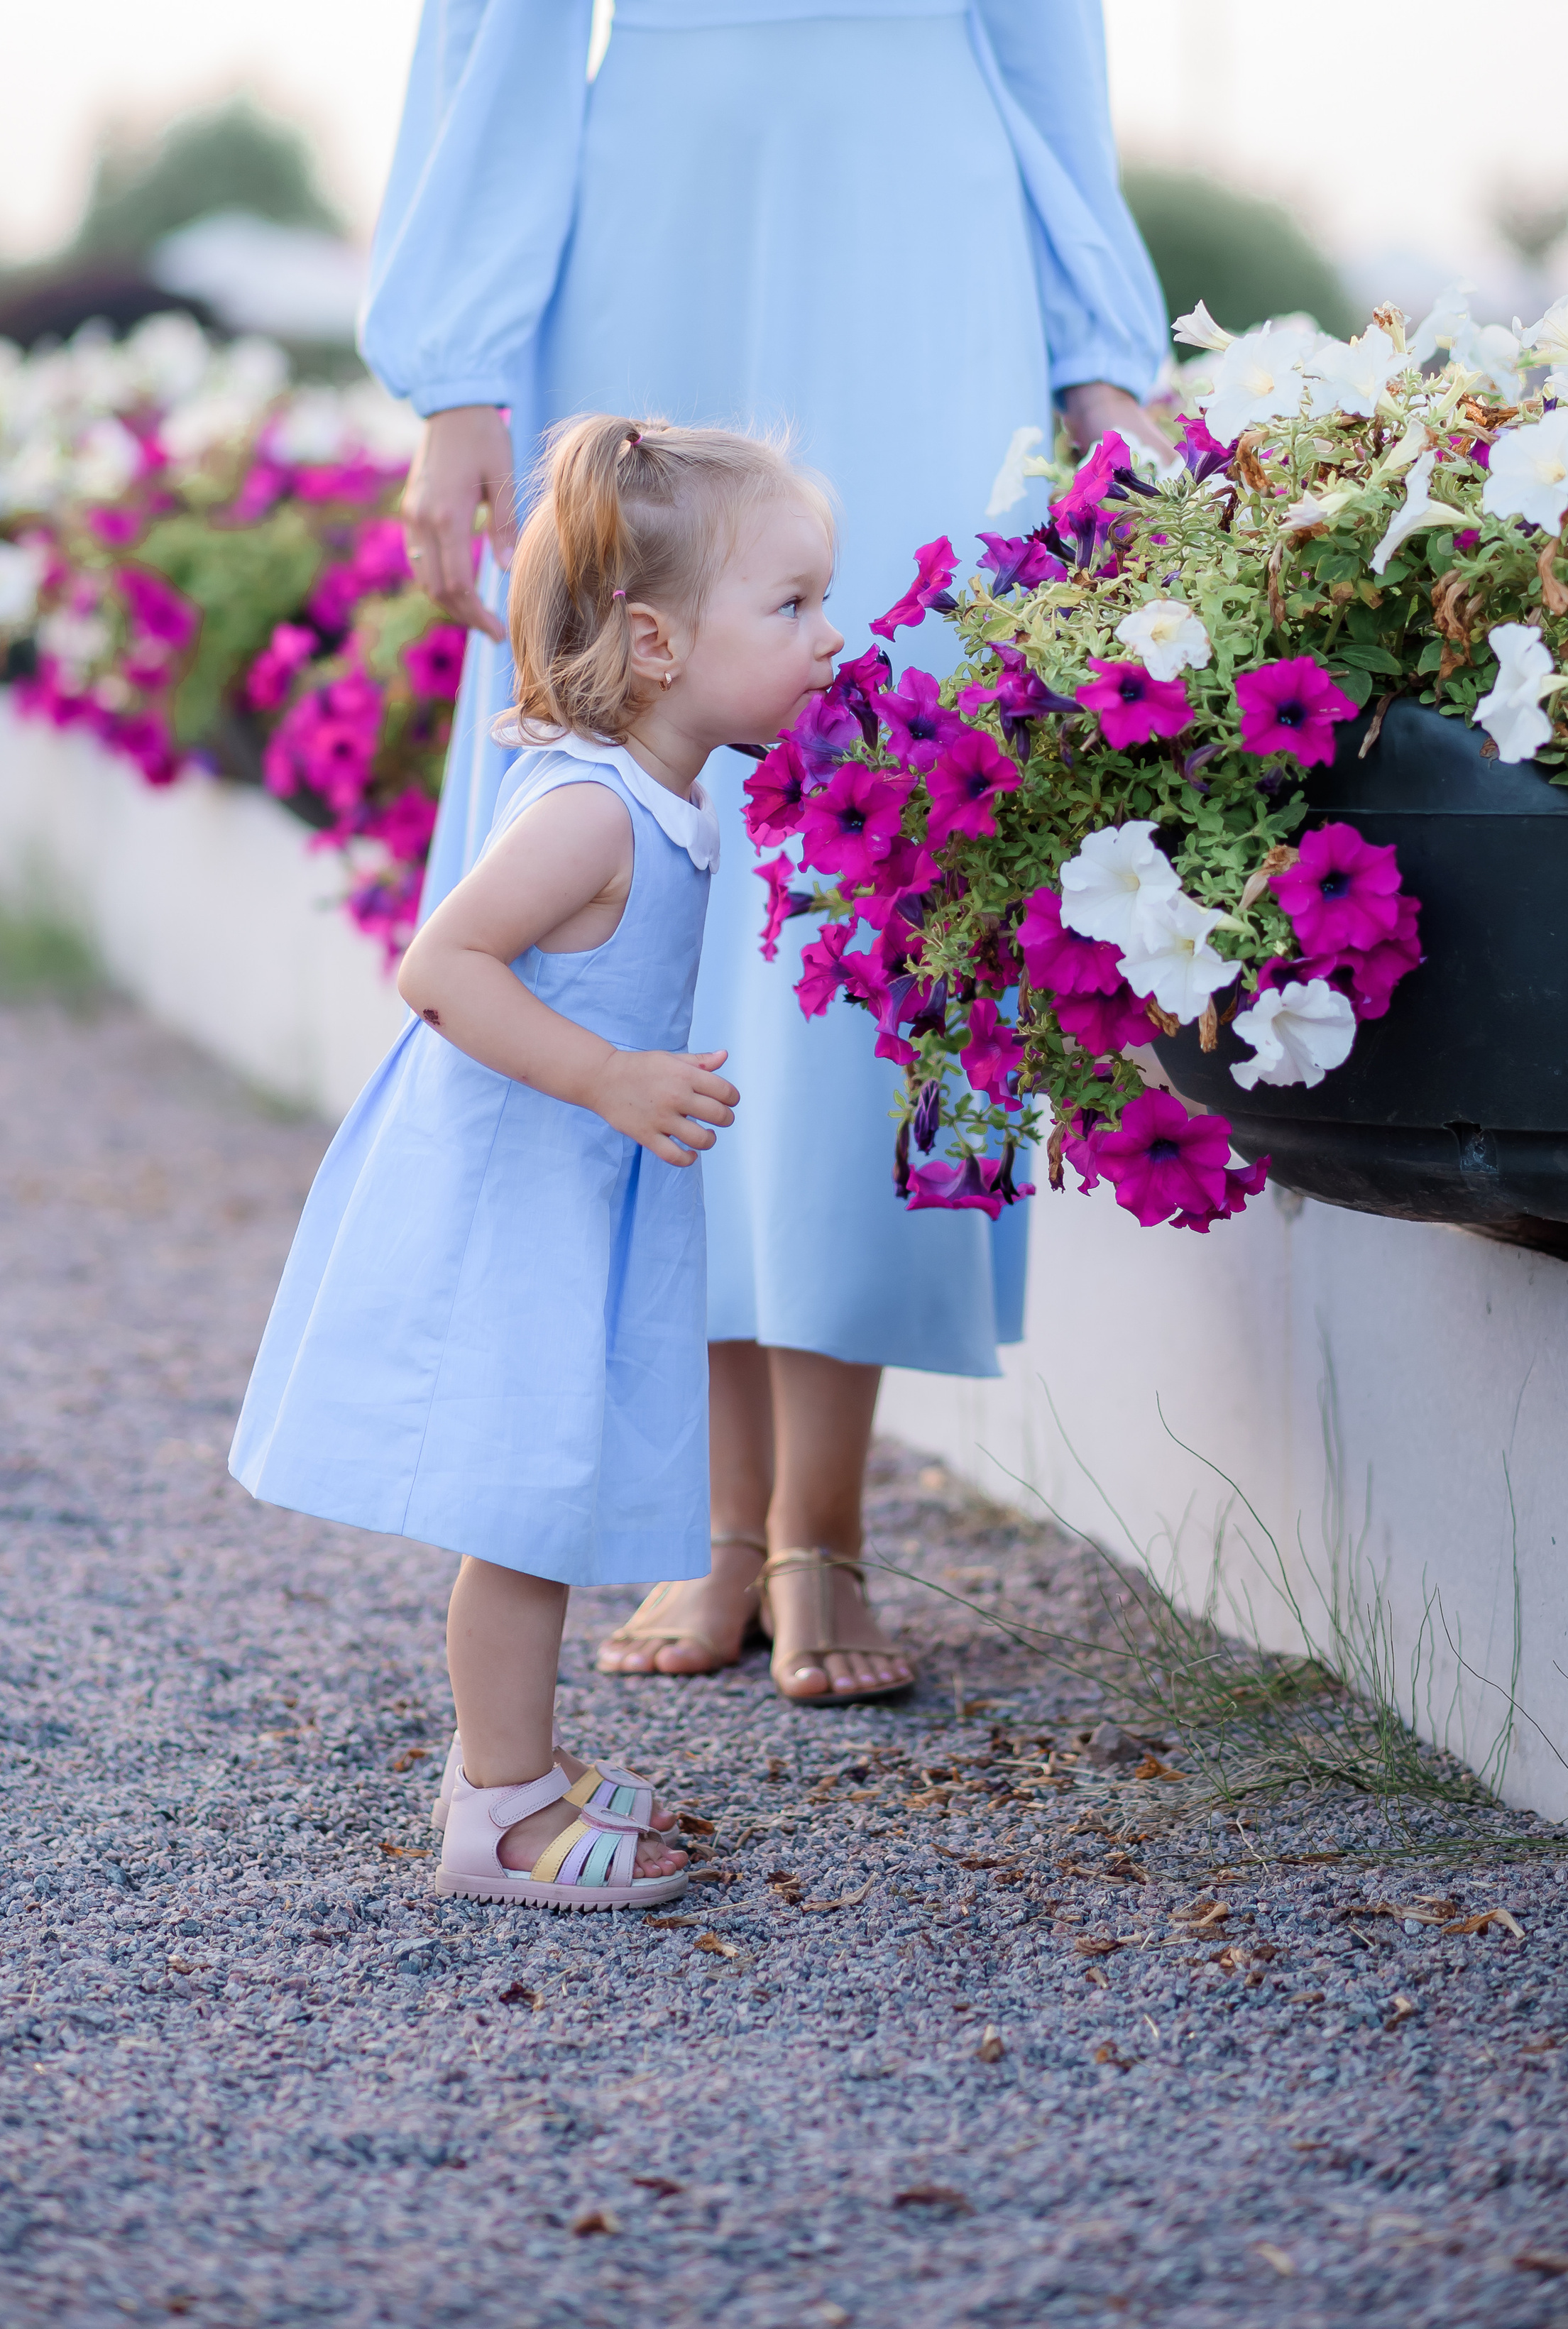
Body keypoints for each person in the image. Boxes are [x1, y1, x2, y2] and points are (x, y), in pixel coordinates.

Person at [361, 0, 1169, 1704]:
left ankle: (822, 1521)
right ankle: (707, 1519)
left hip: (929, 220)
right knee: (654, 815)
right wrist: (459, 372)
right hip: (650, 194)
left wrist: (1104, 348)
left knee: (897, 820)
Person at [229, 415, 844, 1905]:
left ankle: (520, 1767)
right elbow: (441, 967)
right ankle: (496, 1814)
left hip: (575, 1197)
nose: (829, 637)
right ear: (652, 641)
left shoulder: (666, 800)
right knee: (517, 1513)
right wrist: (607, 1076)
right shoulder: (588, 813)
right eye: (791, 606)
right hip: (517, 1204)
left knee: (547, 1496)